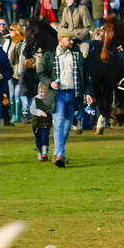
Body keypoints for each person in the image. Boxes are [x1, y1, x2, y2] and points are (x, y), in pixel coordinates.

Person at [37, 32, 87, 165]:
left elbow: (85, 75)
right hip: (57, 94)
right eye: (68, 39)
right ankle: (60, 155)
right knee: (58, 123)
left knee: (67, 125)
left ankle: (57, 152)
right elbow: (41, 73)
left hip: (72, 94)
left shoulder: (76, 55)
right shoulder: (50, 56)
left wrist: (87, 93)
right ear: (60, 39)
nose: (71, 42)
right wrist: (50, 82)